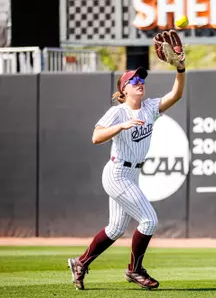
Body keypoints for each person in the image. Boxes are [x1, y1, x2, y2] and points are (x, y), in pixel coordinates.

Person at [67, 57, 186, 291]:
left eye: (142, 78)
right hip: (117, 172)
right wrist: (120, 126)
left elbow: (176, 94)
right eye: (134, 80)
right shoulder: (118, 112)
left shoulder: (150, 107)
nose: (140, 82)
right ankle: (134, 269)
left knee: (116, 228)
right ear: (124, 89)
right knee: (149, 220)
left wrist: (180, 68)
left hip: (132, 174)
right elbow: (96, 136)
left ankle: (80, 263)